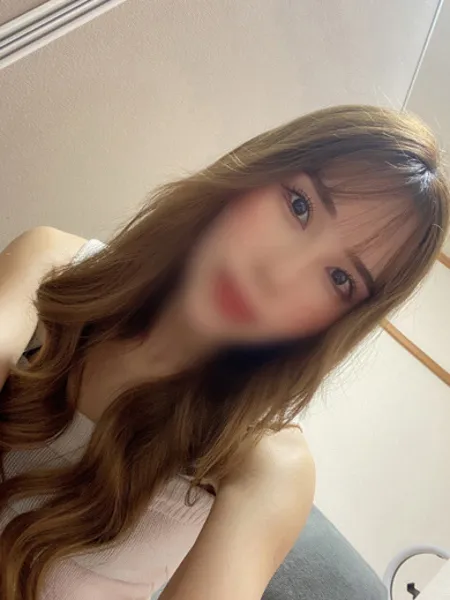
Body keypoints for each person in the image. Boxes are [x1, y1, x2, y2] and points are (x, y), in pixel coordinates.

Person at [0, 104, 448, 600]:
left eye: (339, 278)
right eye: (299, 206)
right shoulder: (54, 268)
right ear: (255, 172)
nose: (276, 274)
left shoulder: (264, 465)